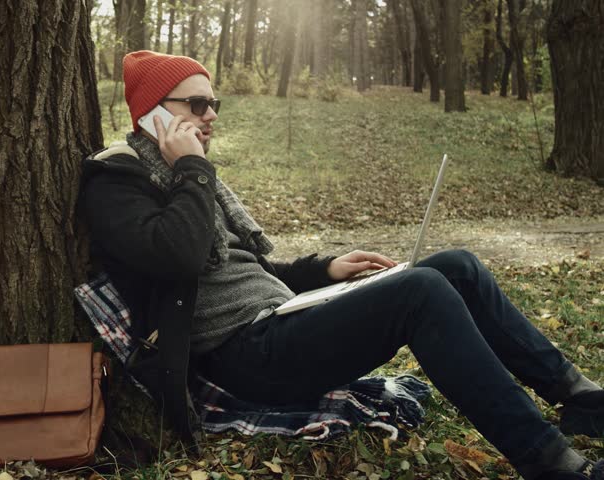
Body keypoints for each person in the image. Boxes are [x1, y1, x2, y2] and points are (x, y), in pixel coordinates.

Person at [79, 50, 604, 480]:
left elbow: (246, 273)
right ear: (154, 114)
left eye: (213, 102)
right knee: (420, 291)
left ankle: (577, 396)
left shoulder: (187, 178)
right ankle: (549, 461)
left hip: (278, 324)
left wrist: (325, 270)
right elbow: (183, 256)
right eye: (196, 104)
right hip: (243, 357)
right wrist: (192, 168)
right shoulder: (119, 181)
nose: (211, 115)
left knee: (457, 266)